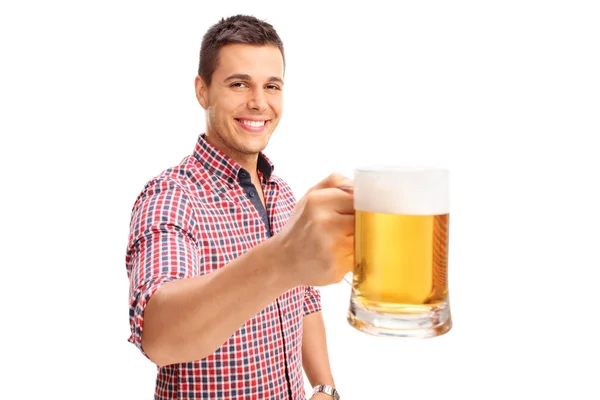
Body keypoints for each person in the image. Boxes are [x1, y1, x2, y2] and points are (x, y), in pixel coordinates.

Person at [125, 14, 354, 400]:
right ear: (202, 91)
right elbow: (160, 335)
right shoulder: (171, 195)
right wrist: (282, 258)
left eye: (272, 86)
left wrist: (325, 387)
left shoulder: (282, 193)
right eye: (239, 84)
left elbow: (305, 298)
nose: (259, 102)